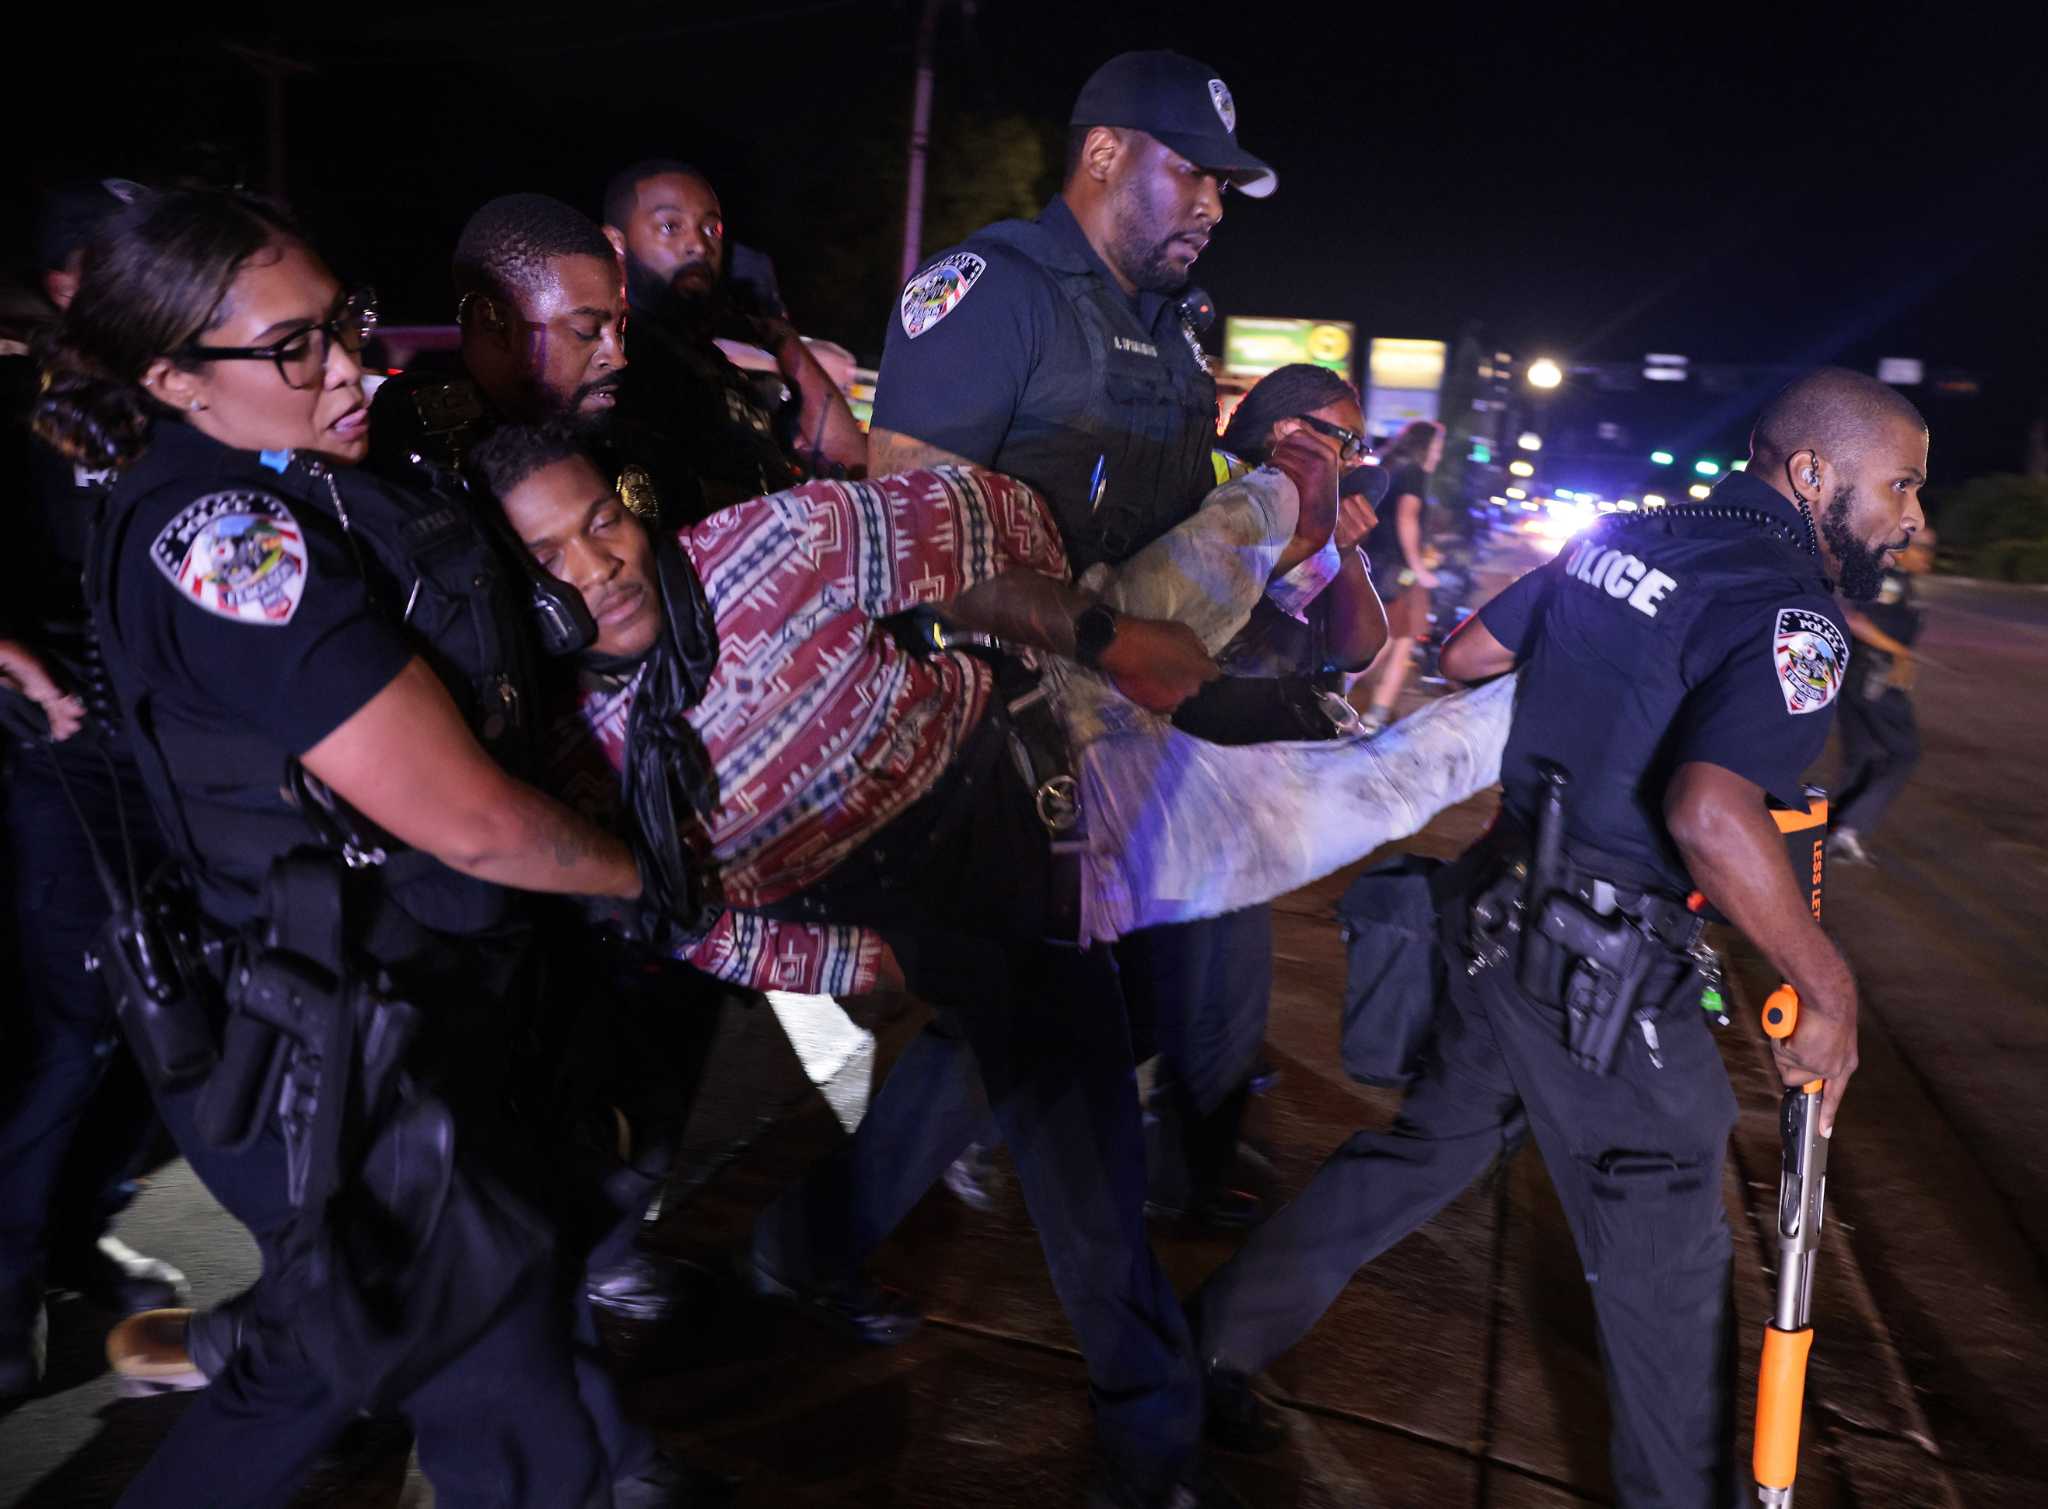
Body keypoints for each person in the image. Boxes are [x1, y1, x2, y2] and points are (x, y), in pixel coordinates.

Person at [475, 411, 1509, 1507]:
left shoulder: (753, 550)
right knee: (1079, 1152)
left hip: (1037, 775)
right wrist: (854, 962)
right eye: (550, 558)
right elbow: (681, 920)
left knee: (1274, 620)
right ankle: (1132, 1444)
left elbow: (975, 516)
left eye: (601, 524)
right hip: (953, 909)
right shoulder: (576, 755)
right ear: (514, 590)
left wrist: (1064, 626)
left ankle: (1338, 489)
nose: (599, 565)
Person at [1187, 367, 1926, 1508]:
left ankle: (1211, 1343)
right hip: (1610, 991)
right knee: (1669, 1278)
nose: (1910, 518)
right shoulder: (1790, 611)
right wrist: (1825, 992)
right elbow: (1707, 815)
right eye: (1900, 487)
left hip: (1497, 927)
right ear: (1812, 474)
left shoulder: (1621, 536)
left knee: (1420, 1154)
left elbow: (1474, 654)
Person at [37, 186, 665, 1508]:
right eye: (294, 349)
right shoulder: (228, 542)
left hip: (374, 1024)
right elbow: (471, 819)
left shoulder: (277, 476)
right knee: (512, 1416)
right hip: (352, 1056)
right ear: (172, 380)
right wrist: (651, 878)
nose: (350, 368)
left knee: (342, 1350)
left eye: (349, 325)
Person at [0, 178, 189, 1400]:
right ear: (73, 281)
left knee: (152, 1033)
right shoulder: (22, 406)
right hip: (68, 760)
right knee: (69, 1038)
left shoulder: (176, 397)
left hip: (177, 761)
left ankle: (72, 1247)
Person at [601, 160, 867, 513]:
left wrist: (784, 339)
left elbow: (849, 462)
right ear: (616, 244)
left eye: (712, 230)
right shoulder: (612, 362)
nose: (698, 245)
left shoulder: (718, 368)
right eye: (670, 226)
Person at [1830, 526, 1935, 865]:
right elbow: (1855, 621)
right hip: (1875, 678)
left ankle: (1834, 831)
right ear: (1902, 549)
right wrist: (1901, 654)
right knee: (1904, 753)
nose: (1928, 556)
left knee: (1861, 755)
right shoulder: (1891, 579)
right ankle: (1848, 829)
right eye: (1922, 548)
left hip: (1857, 676)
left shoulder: (1891, 578)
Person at [1357, 418, 1446, 735]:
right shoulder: (1414, 474)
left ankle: (1373, 712)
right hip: (1400, 572)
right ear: (1424, 446)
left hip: (1382, 565)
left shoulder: (1392, 468)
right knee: (1393, 640)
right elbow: (1407, 519)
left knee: (1400, 640)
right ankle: (1343, 695)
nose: (1439, 453)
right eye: (1436, 446)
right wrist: (1419, 568)